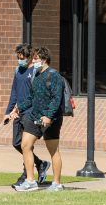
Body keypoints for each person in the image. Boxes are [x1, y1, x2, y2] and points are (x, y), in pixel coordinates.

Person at [14, 46, 65, 192]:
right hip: (34, 116)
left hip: (51, 119)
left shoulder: (54, 75)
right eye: (33, 59)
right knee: (25, 145)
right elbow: (31, 97)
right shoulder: (36, 75)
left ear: (44, 59)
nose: (33, 61)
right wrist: (19, 108)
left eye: (36, 59)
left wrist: (49, 116)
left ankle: (57, 184)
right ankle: (30, 181)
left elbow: (56, 98)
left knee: (53, 150)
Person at [4, 42, 48, 185]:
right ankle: (40, 163)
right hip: (19, 112)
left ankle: (26, 176)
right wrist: (8, 112)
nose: (19, 60)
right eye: (18, 57)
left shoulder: (35, 71)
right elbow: (14, 92)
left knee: (27, 145)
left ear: (29, 57)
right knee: (16, 143)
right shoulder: (18, 70)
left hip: (31, 112)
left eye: (22, 58)